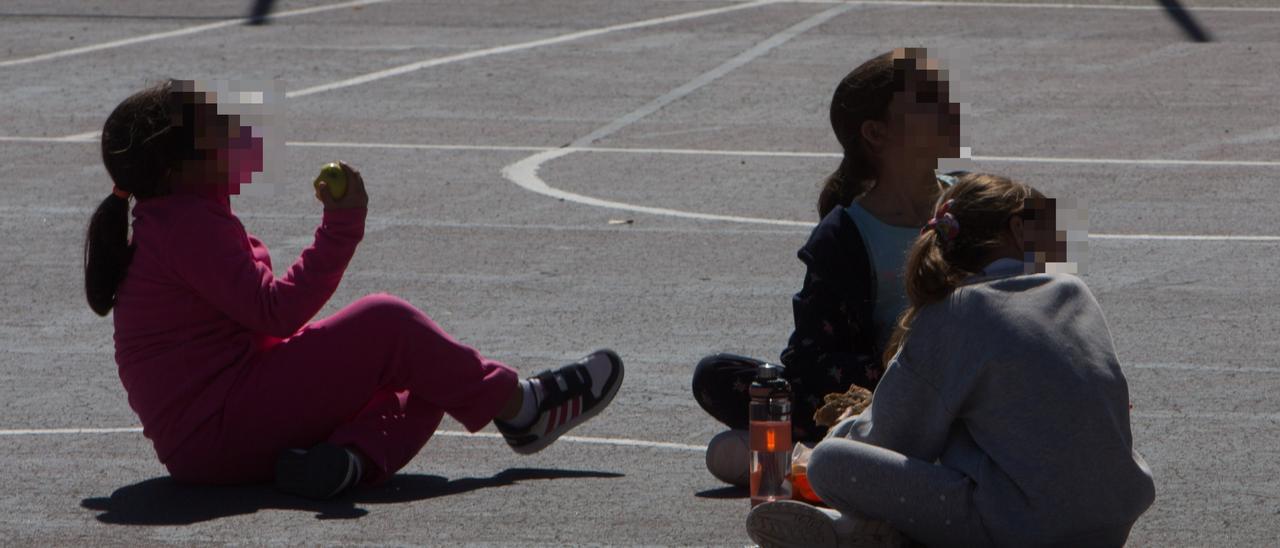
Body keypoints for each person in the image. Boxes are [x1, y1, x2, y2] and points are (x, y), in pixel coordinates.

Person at [83, 79, 624, 499]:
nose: (237, 137)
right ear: (180, 168)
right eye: (219, 132)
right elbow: (276, 312)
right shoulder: (187, 225)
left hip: (213, 439)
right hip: (222, 428)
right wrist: (342, 224)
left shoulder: (177, 218)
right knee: (388, 321)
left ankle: (346, 464)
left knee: (432, 372)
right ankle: (523, 407)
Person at [746, 174, 1155, 548]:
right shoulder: (1074, 290)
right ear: (1016, 230)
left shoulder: (958, 308)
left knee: (830, 462)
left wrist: (843, 428)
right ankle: (874, 533)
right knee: (967, 424)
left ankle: (858, 532)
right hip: (1111, 521)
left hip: (1028, 530)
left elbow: (891, 438)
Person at [694, 47, 963, 485]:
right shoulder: (845, 236)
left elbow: (1047, 294)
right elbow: (810, 359)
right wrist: (896, 363)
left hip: (976, 383)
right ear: (876, 134)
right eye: (928, 98)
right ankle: (816, 454)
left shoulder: (974, 199)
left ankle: (797, 455)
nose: (949, 107)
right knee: (717, 376)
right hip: (891, 397)